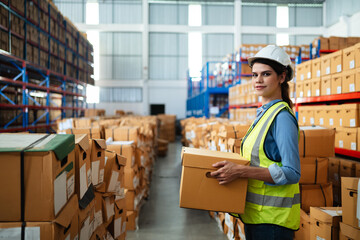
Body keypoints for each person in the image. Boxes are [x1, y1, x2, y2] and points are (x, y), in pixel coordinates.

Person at [210, 45, 301, 240]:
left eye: (266, 74)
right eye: (254, 75)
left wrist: (240, 171)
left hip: (273, 223)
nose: (258, 80)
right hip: (256, 217)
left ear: (282, 77)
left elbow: (292, 173)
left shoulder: (282, 117)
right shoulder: (264, 114)